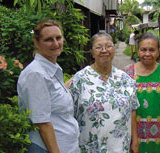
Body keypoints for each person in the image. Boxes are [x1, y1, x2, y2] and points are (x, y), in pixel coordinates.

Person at [67, 32, 140, 153]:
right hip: (90, 147)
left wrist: (135, 141)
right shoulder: (80, 79)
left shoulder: (125, 79)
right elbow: (69, 114)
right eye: (98, 47)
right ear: (91, 52)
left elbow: (132, 110)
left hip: (120, 146)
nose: (104, 50)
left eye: (108, 46)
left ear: (114, 49)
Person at [17, 19, 80, 153]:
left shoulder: (51, 69)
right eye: (48, 39)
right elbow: (42, 122)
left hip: (66, 146)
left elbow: (54, 98)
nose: (56, 43)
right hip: (48, 148)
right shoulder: (36, 74)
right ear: (36, 42)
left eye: (58, 38)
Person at [123, 32, 160, 153]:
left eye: (152, 50)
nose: (147, 54)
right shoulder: (127, 72)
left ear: (159, 51)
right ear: (138, 51)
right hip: (134, 132)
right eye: (143, 50)